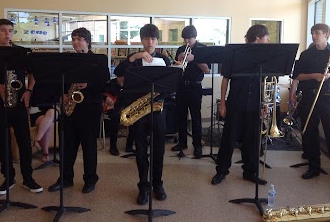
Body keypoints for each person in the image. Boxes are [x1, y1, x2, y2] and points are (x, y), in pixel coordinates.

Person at [0, 18, 43, 195]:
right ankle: (8, 178)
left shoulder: (20, 52)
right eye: (3, 30)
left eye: (10, 31)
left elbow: (33, 73)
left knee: (25, 144)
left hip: (18, 103)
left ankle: (28, 178)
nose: (7, 34)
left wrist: (29, 90)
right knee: (3, 143)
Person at [289, 23, 330, 186]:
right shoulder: (306, 55)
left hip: (328, 98)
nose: (313, 36)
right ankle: (314, 167)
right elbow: (297, 76)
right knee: (309, 134)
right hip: (309, 98)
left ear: (326, 34)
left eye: (317, 33)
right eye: (312, 33)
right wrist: (314, 76)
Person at [114, 24, 170, 205]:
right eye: (146, 38)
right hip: (139, 111)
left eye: (153, 38)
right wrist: (134, 56)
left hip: (158, 109)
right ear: (142, 40)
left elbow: (169, 87)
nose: (150, 42)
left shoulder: (163, 59)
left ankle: (158, 184)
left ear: (157, 40)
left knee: (159, 149)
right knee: (140, 149)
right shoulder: (135, 59)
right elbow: (118, 72)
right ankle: (143, 186)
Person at [48, 27, 110, 194]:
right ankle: (65, 179)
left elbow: (105, 84)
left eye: (79, 39)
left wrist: (88, 85)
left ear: (87, 41)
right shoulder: (66, 61)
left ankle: (90, 179)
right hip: (70, 109)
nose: (75, 42)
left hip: (90, 109)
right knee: (67, 147)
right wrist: (60, 95)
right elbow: (56, 82)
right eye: (73, 39)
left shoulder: (99, 60)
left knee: (89, 147)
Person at [211, 24, 270, 186]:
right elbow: (225, 80)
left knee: (252, 139)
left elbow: (264, 81)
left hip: (255, 103)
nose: (268, 41)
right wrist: (223, 103)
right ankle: (221, 171)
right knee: (228, 139)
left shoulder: (264, 56)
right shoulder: (235, 53)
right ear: (258, 37)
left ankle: (250, 172)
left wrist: (265, 102)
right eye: (266, 37)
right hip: (236, 101)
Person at [171, 25, 210, 157]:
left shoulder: (203, 49)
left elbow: (207, 70)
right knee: (180, 116)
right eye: (185, 39)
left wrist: (194, 59)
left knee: (195, 117)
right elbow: (177, 68)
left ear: (195, 37)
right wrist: (179, 60)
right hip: (181, 85)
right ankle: (182, 142)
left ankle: (197, 145)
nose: (187, 42)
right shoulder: (181, 49)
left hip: (195, 86)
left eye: (190, 39)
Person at [28, 81, 60, 162]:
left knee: (52, 113)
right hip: (35, 112)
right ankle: (45, 153)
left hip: (49, 109)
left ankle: (37, 140)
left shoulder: (55, 82)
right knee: (47, 124)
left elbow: (57, 98)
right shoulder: (34, 84)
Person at [103, 77, 135, 156]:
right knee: (115, 118)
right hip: (112, 108)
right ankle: (113, 146)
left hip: (125, 107)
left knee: (135, 119)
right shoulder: (110, 84)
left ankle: (129, 145)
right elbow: (100, 92)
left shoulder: (130, 84)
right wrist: (106, 98)